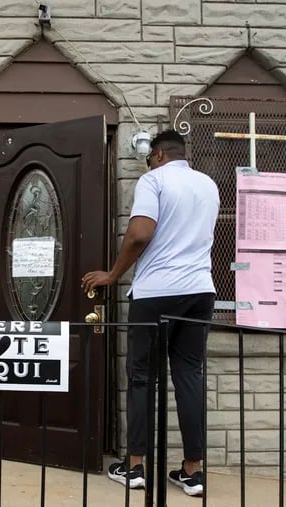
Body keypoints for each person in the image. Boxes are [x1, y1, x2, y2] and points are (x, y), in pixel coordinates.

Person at [81, 129, 219, 497]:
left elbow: (140, 233)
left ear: (158, 155)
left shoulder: (153, 180)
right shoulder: (207, 184)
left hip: (158, 292)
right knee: (189, 375)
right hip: (200, 290)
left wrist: (113, 274)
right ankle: (193, 472)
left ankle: (136, 466)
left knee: (142, 377)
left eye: (149, 158)